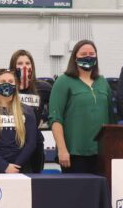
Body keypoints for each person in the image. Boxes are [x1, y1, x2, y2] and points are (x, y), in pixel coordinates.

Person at [48, 40, 114, 174]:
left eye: (91, 53)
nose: (88, 57)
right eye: (83, 54)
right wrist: (62, 149)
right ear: (74, 57)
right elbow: (55, 118)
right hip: (74, 154)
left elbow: (111, 119)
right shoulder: (63, 81)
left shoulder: (103, 82)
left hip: (102, 154)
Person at [0, 69, 37, 173]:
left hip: (20, 168)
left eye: (10, 82)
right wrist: (4, 166)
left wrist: (15, 166)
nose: (7, 84)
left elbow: (31, 143)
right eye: (3, 82)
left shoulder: (27, 111)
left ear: (16, 86)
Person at [10, 49, 46, 172]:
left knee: (34, 180)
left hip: (35, 142)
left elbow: (57, 105)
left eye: (27, 63)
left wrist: (45, 118)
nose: (24, 66)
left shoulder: (42, 87)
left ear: (32, 66)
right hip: (11, 142)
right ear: (13, 66)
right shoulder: (7, 87)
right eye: (20, 64)